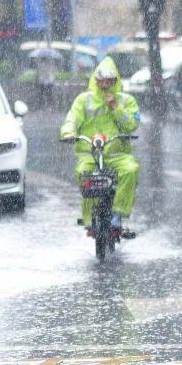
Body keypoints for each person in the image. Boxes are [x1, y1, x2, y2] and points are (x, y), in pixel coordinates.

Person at [59, 57, 141, 236]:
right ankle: (89, 219)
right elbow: (72, 119)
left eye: (109, 81)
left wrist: (115, 107)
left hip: (117, 154)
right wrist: (68, 133)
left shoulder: (127, 101)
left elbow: (132, 125)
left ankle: (118, 214)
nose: (105, 84)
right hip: (90, 154)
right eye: (101, 80)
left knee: (130, 169)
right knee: (84, 174)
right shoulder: (83, 100)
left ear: (115, 81)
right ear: (95, 81)